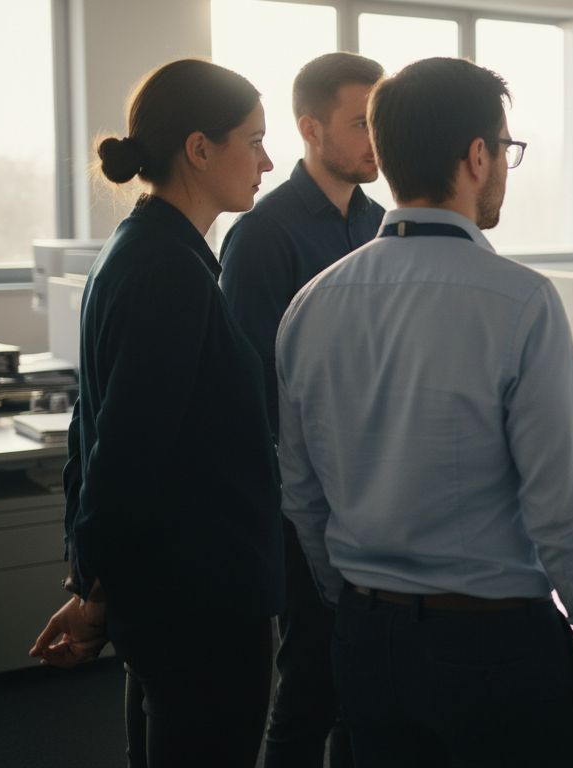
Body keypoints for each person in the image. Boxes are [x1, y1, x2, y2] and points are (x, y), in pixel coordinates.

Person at [276, 57, 573, 767]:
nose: (504, 165)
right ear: (477, 156)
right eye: (505, 150)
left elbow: (301, 492)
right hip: (493, 649)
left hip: (366, 642)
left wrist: (353, 599)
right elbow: (564, 508)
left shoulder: (311, 303)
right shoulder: (521, 302)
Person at [29, 58, 283, 768]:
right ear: (199, 149)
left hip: (172, 596)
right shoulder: (167, 271)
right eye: (254, 140)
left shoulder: (144, 249)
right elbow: (126, 453)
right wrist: (91, 593)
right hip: (199, 601)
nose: (268, 160)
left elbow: (97, 428)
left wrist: (92, 581)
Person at [218, 51, 386, 768]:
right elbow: (255, 386)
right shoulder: (264, 232)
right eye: (359, 123)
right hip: (303, 499)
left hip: (376, 488)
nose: (375, 138)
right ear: (309, 129)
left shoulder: (385, 223)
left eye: (380, 121)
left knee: (369, 688)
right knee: (311, 682)